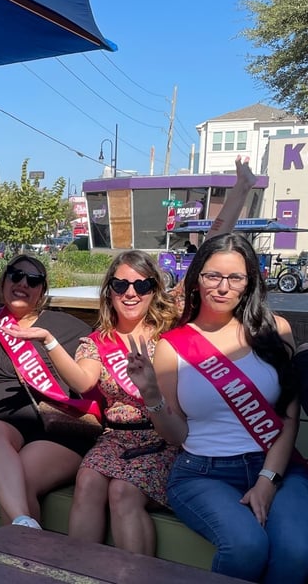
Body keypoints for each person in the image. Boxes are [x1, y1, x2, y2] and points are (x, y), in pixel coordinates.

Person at [127, 233, 308, 583]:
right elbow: (175, 434)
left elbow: (288, 417)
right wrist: (151, 394)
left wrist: (267, 480)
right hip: (204, 473)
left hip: (277, 466)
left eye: (235, 277)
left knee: (296, 551)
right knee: (246, 546)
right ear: (196, 279)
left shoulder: (276, 330)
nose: (223, 287)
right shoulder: (172, 346)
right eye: (213, 276)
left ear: (249, 282)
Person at [2, 251, 179, 553]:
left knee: (123, 490)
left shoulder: (172, 334)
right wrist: (48, 341)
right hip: (115, 439)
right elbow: (83, 381)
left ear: (154, 290)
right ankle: (80, 569)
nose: (131, 293)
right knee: (87, 482)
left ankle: (135, 573)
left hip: (163, 439)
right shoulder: (98, 342)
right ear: (110, 290)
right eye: (121, 285)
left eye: (141, 285)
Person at [0, 254, 93, 530]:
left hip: (57, 431)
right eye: (16, 275)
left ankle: (22, 546)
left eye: (34, 280)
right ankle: (24, 524)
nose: (23, 283)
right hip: (6, 432)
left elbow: (97, 364)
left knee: (19, 480)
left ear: (42, 291)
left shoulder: (66, 327)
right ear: (4, 281)